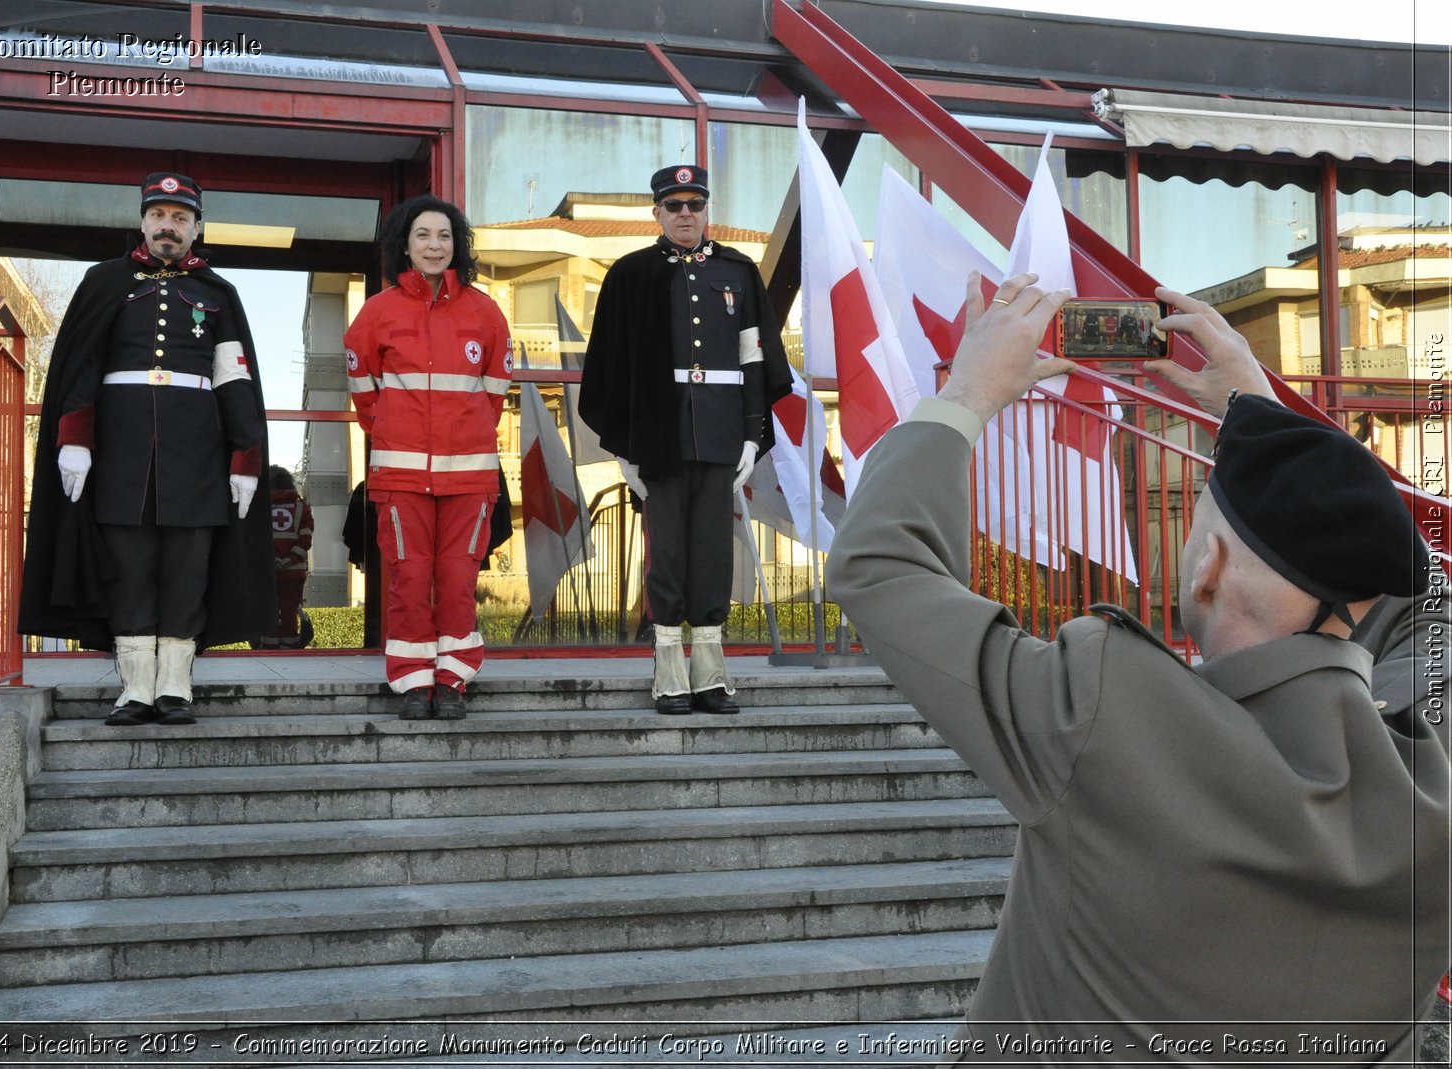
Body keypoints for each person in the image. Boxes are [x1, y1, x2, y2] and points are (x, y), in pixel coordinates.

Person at [827, 273, 1449, 1061]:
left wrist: (968, 392)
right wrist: (1266, 422)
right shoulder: (1433, 790)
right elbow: (1427, 596)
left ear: (1207, 570)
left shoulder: (1105, 712)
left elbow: (880, 566)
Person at [19, 172, 273, 726]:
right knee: (128, 570)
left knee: (187, 571)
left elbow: (234, 378)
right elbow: (80, 367)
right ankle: (135, 689)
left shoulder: (217, 293)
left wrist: (245, 458)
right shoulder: (104, 281)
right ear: (142, 221)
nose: (168, 227)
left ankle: (175, 686)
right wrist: (74, 442)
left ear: (196, 228)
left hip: (197, 458)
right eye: (159, 215)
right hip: (120, 457)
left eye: (180, 219)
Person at [579, 164, 790, 715]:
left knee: (715, 554)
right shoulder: (630, 274)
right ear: (657, 212)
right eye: (674, 206)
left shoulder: (738, 272)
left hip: (722, 432)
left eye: (695, 205)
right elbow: (612, 363)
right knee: (667, 552)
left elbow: (754, 358)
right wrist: (625, 446)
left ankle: (711, 675)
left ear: (706, 211)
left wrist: (751, 436)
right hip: (658, 433)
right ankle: (669, 669)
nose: (685, 215)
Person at [344, 194, 512, 720]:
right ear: (406, 244)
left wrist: (462, 438)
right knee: (409, 578)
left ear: (456, 245)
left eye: (443, 236)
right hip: (399, 476)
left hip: (470, 479)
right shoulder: (377, 312)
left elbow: (493, 397)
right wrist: (399, 433)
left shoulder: (485, 312)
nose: (434, 245)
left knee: (459, 579)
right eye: (422, 235)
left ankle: (453, 679)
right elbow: (365, 396)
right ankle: (414, 682)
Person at [261, 464, 314, 649]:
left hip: (268, 572)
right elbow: (306, 540)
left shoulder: (260, 509)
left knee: (269, 611)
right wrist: (289, 560)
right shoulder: (302, 508)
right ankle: (290, 648)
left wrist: (273, 560)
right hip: (294, 572)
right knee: (290, 611)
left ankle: (269, 647)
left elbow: (256, 540)